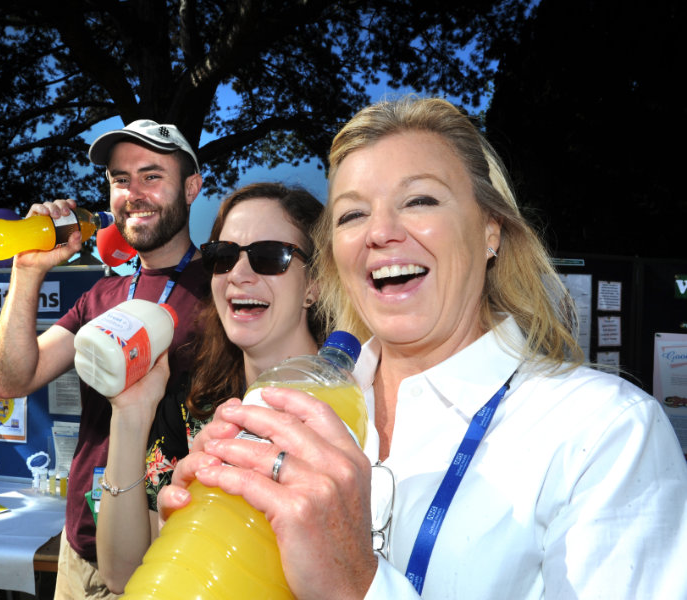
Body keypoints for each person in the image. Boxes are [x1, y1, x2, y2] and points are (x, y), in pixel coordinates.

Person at [158, 97, 687, 599]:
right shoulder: (287, 412)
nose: (380, 232)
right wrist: (201, 548)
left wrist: (356, 586)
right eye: (351, 215)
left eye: (420, 200)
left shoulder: (603, 432)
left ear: (490, 230)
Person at [0, 119, 209, 600]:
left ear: (191, 187)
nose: (134, 192)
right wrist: (26, 271)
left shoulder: (227, 290)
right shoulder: (102, 294)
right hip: (81, 551)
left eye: (152, 176)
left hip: (174, 558)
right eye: (119, 179)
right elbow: (12, 379)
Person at [96, 182, 324, 593]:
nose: (238, 274)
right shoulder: (193, 404)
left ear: (315, 285)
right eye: (222, 256)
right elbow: (121, 574)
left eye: (269, 256)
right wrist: (130, 415)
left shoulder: (351, 404)